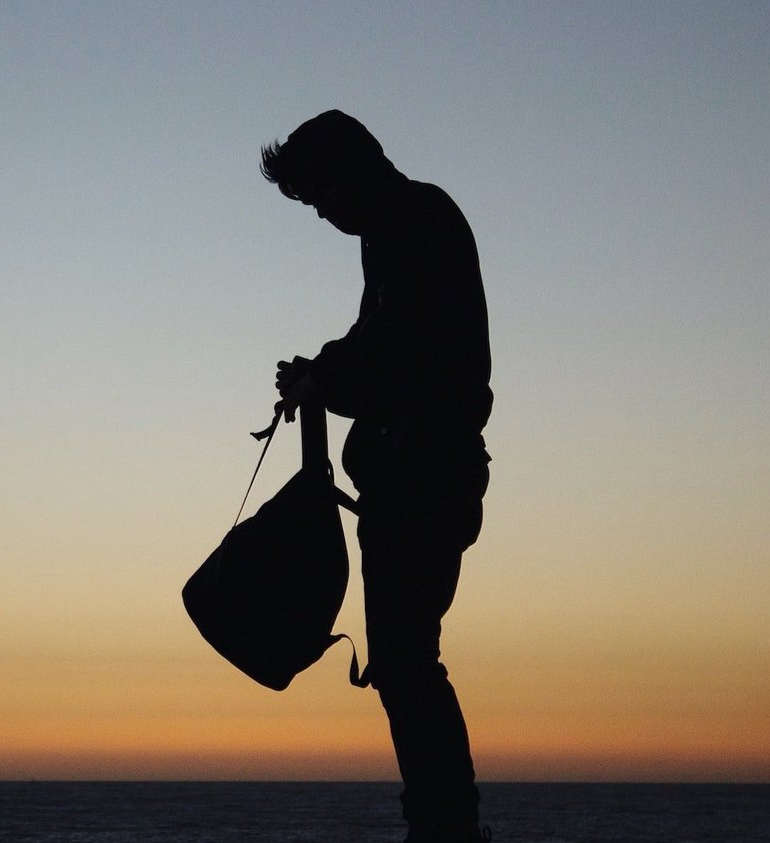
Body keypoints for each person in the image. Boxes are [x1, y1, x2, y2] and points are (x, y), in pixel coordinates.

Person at [262, 110, 493, 843]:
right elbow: (374, 344)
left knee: (405, 660)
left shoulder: (416, 221)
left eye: (320, 195)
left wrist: (327, 377)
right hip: (407, 477)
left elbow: (400, 352)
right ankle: (441, 824)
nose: (322, 214)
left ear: (352, 168)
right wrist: (322, 372)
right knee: (402, 661)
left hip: (426, 476)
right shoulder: (395, 231)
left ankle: (446, 829)